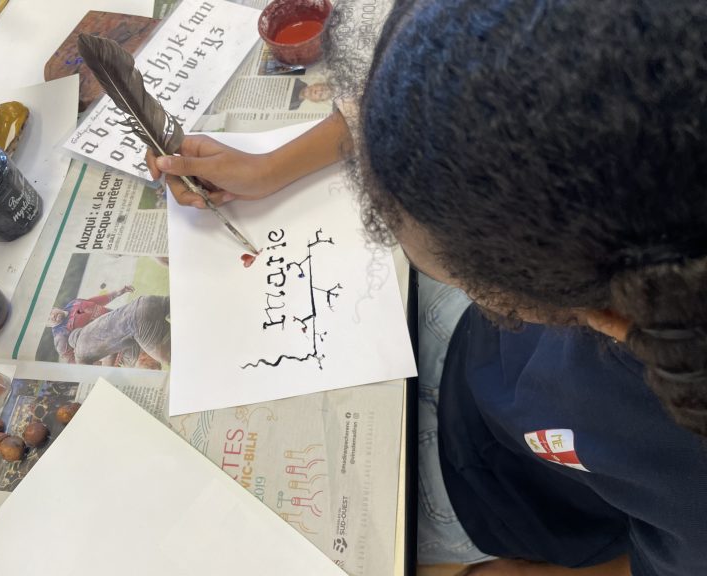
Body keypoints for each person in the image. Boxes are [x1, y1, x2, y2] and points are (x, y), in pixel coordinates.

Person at [148, 1, 707, 574]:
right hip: (490, 372)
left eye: (449, 268)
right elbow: (432, 99)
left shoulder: (683, 472)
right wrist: (273, 166)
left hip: (502, 500)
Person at [48, 285, 171, 369]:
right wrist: (107, 365)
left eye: (50, 312)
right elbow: (80, 366)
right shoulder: (60, 338)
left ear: (53, 307)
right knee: (152, 364)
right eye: (48, 319)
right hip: (122, 348)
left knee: (166, 353)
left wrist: (117, 293)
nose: (51, 316)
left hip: (127, 324)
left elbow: (96, 302)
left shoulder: (73, 303)